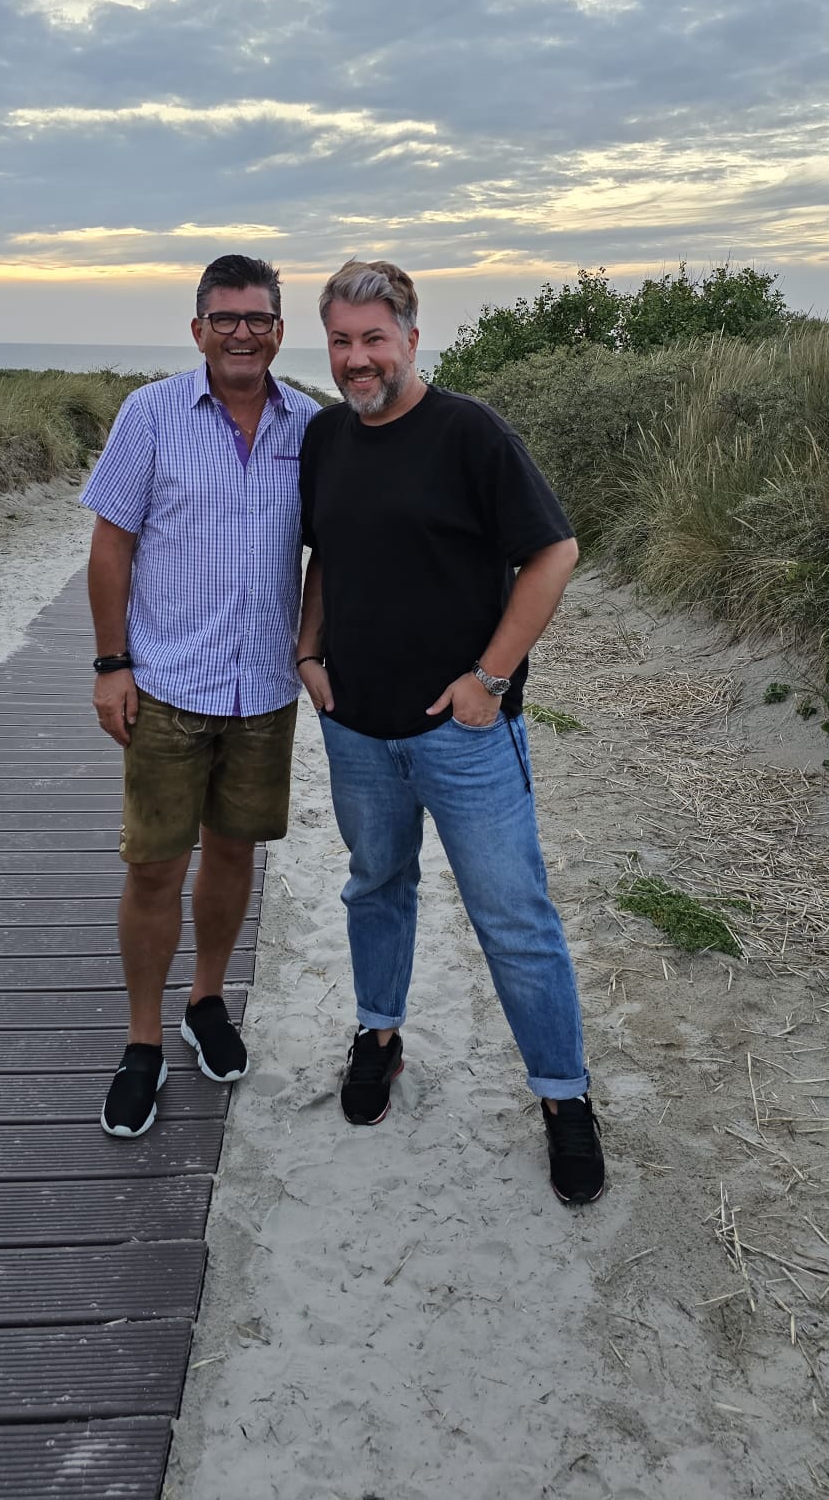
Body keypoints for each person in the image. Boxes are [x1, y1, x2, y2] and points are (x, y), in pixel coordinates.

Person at [297, 259, 604, 1205]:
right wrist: (309, 649)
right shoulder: (324, 437)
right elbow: (325, 552)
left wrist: (490, 678)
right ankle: (379, 1036)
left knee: (513, 918)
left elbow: (554, 552)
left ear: (411, 336)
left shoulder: (470, 432)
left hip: (465, 737)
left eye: (373, 338)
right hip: (357, 729)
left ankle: (564, 1097)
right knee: (375, 886)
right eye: (341, 341)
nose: (357, 358)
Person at [82, 254, 319, 1138]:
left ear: (279, 330)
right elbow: (110, 545)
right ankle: (142, 1041)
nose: (241, 334)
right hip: (168, 686)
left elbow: (333, 550)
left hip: (264, 690)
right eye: (225, 319)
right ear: (198, 330)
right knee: (153, 866)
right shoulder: (150, 414)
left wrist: (311, 647)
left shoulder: (312, 425)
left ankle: (206, 1000)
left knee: (233, 855)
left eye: (257, 319)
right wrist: (112, 664)